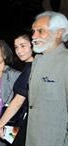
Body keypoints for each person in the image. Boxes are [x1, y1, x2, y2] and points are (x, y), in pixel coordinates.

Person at [25, 11, 67, 146]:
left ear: (59, 33)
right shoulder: (38, 60)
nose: (33, 36)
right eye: (33, 31)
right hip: (33, 137)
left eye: (40, 31)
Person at [0, 34, 34, 146]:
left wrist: (0, 125)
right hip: (23, 120)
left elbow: (18, 101)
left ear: (33, 46)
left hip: (26, 122)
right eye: (16, 47)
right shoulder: (28, 66)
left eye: (23, 46)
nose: (19, 50)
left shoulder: (31, 67)